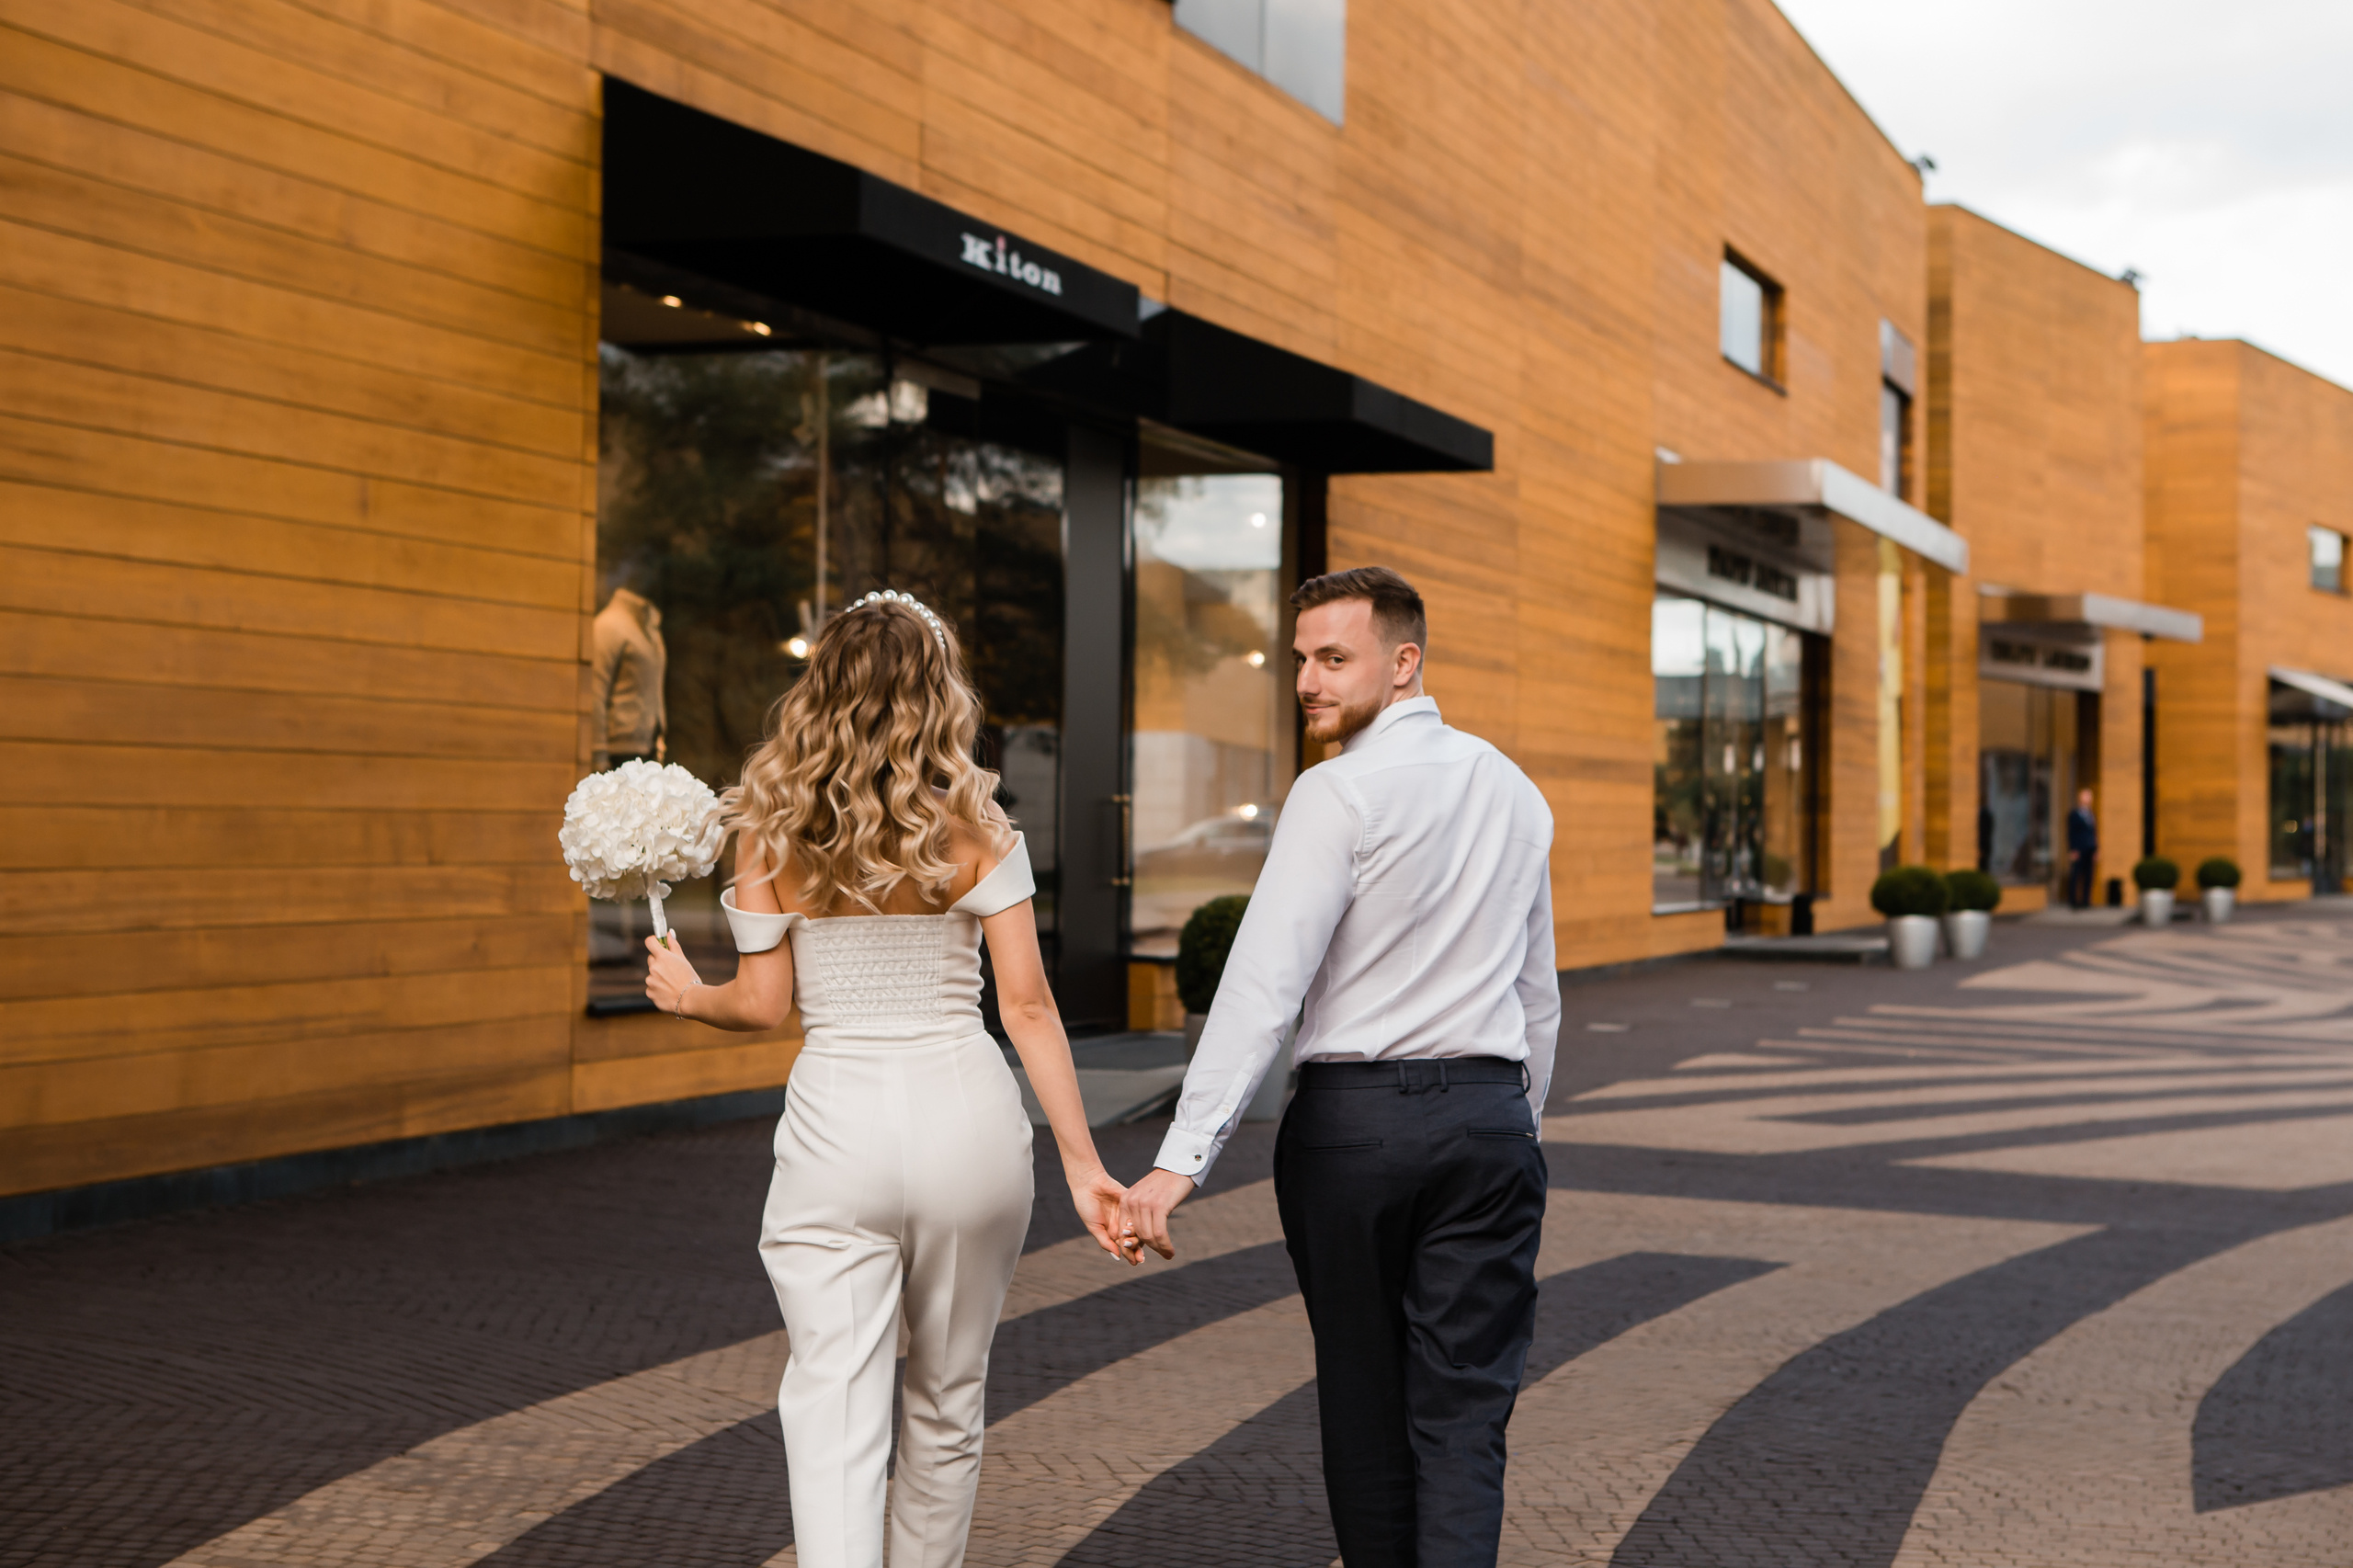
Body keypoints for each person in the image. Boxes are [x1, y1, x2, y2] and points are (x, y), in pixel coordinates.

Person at [642, 590, 1133, 1568]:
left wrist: (686, 994)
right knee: (947, 1400)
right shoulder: (976, 827)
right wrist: (1085, 1164)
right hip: (968, 1125)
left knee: (831, 1400)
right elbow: (1027, 1007)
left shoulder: (770, 832)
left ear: (817, 690)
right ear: (935, 694)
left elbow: (760, 1004)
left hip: (837, 1133)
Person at [1120, 566, 1560, 1568]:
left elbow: (1262, 982)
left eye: (1332, 658)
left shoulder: (1336, 791)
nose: (1307, 682)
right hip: (1489, 1124)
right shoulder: (1514, 789)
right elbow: (1537, 990)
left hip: (1354, 1129)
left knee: (1362, 1399)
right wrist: (1518, 1117)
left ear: (1403, 662)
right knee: (1464, 1412)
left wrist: (1179, 1160)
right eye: (1301, 660)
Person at [2066, 787, 2097, 909]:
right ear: (2080, 797)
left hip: (2090, 848)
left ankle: (2086, 900)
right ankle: (2073, 900)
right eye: (2086, 795)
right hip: (2078, 849)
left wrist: (2096, 849)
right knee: (2076, 874)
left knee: (2088, 876)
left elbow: (2094, 832)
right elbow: (2071, 833)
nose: (2089, 798)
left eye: (2090, 796)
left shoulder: (2091, 814)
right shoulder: (2074, 814)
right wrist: (2072, 849)